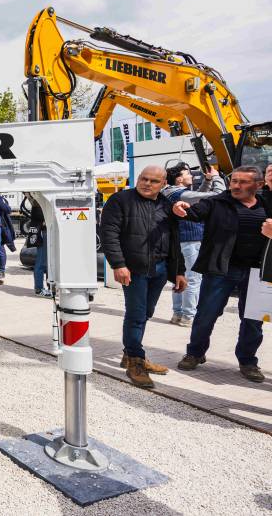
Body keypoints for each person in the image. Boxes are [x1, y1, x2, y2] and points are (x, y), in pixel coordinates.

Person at [172, 165, 271, 383]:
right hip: (221, 270)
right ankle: (195, 353)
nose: (236, 186)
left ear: (259, 184)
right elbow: (194, 212)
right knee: (206, 313)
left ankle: (247, 361)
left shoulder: (267, 204)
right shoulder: (217, 202)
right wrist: (181, 208)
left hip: (257, 272)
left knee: (253, 320)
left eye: (243, 182)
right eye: (234, 181)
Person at [101, 165, 187, 388]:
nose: (147, 183)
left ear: (163, 184)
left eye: (153, 181)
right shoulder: (120, 200)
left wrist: (179, 271)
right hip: (134, 269)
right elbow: (109, 234)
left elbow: (174, 240)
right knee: (136, 314)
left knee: (146, 312)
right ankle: (136, 362)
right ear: (138, 178)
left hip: (159, 270)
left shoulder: (167, 205)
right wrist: (118, 264)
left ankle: (130, 352)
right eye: (144, 178)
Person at [162, 163, 226, 327]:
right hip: (189, 241)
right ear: (179, 179)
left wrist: (207, 180)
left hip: (177, 240)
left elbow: (197, 197)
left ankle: (177, 314)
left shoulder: (169, 192)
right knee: (192, 279)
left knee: (179, 278)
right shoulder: (181, 194)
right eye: (187, 173)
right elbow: (218, 195)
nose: (191, 175)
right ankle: (189, 317)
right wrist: (217, 177)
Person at [27, 194, 50, 297]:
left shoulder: (37, 205)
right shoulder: (39, 207)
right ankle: (39, 289)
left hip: (44, 232)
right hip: (44, 233)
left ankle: (48, 287)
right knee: (42, 262)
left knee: (46, 262)